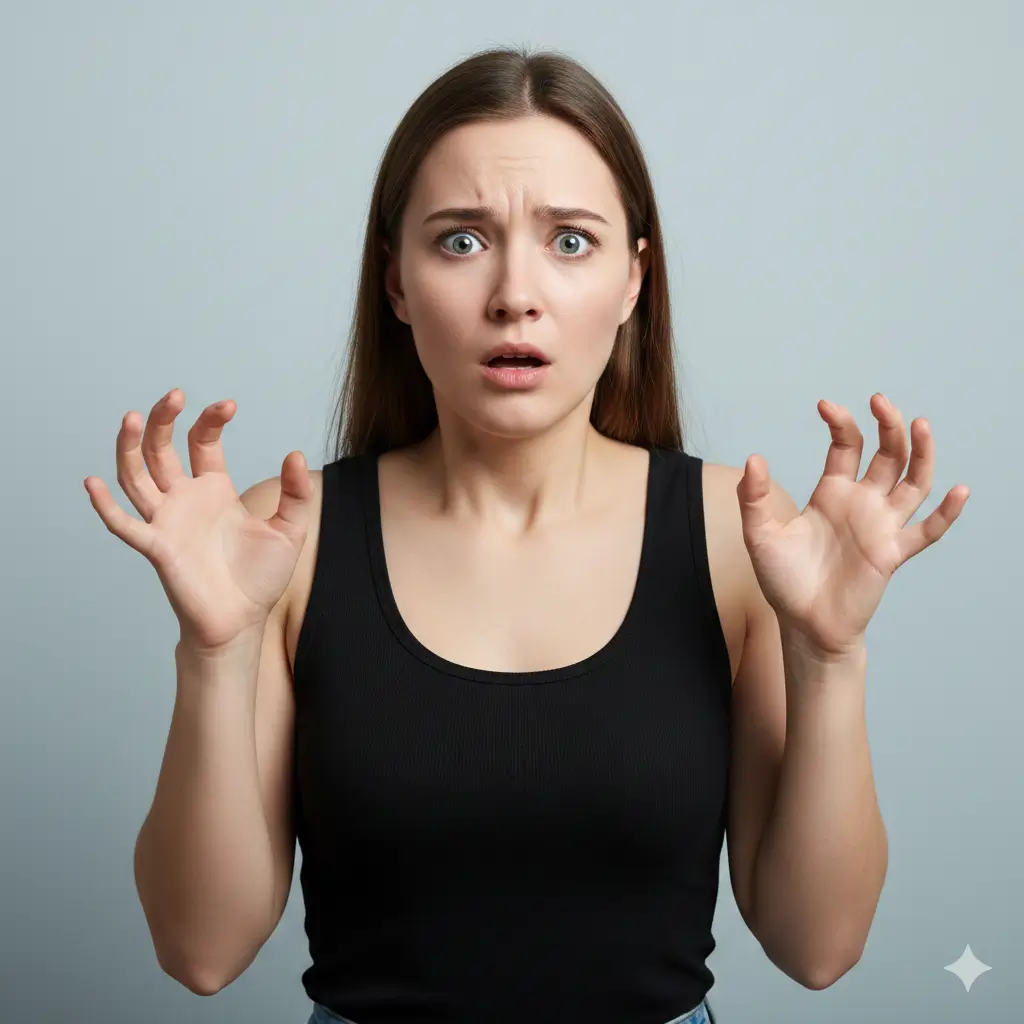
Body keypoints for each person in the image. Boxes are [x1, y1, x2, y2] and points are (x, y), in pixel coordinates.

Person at [85, 43, 967, 1024]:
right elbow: (200, 951)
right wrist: (213, 653)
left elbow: (818, 945)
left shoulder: (741, 540)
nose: (514, 292)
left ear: (635, 281)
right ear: (395, 283)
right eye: (460, 240)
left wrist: (828, 654)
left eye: (571, 241)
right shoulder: (281, 543)